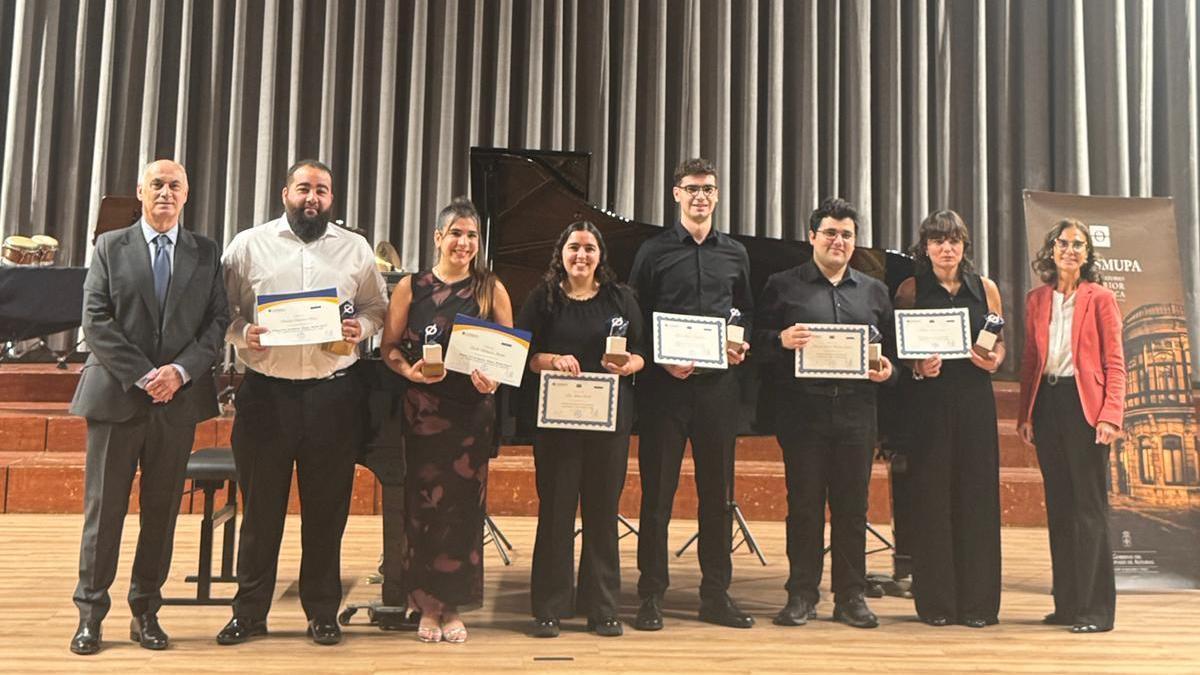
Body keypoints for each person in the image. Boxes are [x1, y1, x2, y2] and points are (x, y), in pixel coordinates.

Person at [217, 159, 388, 646]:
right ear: (285, 192)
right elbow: (221, 312)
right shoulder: (248, 245)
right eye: (304, 188)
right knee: (261, 512)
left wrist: (364, 329)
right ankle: (249, 612)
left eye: (322, 190)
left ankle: (322, 613)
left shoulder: (355, 249)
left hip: (333, 396)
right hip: (265, 396)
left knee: (327, 512)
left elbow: (376, 307)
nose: (312, 198)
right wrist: (242, 333)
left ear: (331, 199)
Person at [69, 160, 229, 655]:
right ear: (139, 191)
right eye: (156, 184)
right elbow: (95, 320)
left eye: (174, 185)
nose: (165, 192)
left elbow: (217, 322)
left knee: (160, 513)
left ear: (187, 194)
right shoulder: (110, 246)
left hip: (176, 404)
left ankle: (146, 612)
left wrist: (178, 374)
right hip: (117, 397)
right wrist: (145, 375)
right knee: (105, 511)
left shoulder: (205, 252)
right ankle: (91, 615)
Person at [753, 197, 895, 629]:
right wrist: (779, 339)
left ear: (855, 242)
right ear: (812, 237)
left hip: (857, 413)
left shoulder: (874, 291)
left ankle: (850, 596)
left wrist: (888, 369)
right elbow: (753, 342)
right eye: (830, 233)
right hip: (802, 412)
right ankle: (801, 594)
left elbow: (892, 353)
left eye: (847, 235)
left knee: (853, 508)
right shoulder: (782, 285)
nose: (839, 241)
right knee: (805, 507)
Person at [379, 196, 513, 644]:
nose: (464, 242)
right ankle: (425, 606)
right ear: (438, 237)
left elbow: (509, 354)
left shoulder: (490, 287)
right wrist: (407, 370)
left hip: (472, 415)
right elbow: (390, 348)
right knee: (421, 510)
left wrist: (493, 379)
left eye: (472, 235)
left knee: (462, 511)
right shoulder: (410, 287)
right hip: (423, 411)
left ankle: (452, 605)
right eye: (456, 232)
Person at [629, 158, 754, 631]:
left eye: (709, 189)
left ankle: (715, 594)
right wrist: (659, 358)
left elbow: (746, 312)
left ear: (717, 196)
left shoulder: (736, 254)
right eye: (692, 188)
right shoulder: (653, 252)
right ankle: (650, 595)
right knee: (657, 496)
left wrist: (740, 343)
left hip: (718, 391)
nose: (701, 196)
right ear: (676, 194)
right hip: (666, 390)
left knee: (716, 496)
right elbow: (636, 315)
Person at [516, 221, 646, 638]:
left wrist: (629, 365)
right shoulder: (544, 298)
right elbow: (525, 355)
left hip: (609, 421)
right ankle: (549, 608)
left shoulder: (621, 298)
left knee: (602, 513)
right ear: (562, 253)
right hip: (556, 423)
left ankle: (602, 607)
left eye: (590, 248)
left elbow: (642, 354)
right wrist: (552, 360)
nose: (581, 256)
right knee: (555, 512)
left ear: (600, 256)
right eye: (574, 247)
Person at [894, 210, 1004, 628]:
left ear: (964, 246)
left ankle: (979, 605)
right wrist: (918, 366)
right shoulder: (909, 288)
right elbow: (898, 349)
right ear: (925, 247)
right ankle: (936, 604)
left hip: (976, 400)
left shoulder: (987, 289)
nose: (946, 248)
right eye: (938, 241)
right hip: (929, 405)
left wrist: (994, 360)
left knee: (977, 498)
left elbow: (1000, 345)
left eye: (954, 240)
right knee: (931, 499)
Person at [1018, 218, 1124, 634]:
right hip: (1048, 405)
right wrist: (1025, 414)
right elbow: (1030, 361)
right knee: (1060, 509)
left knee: (1088, 510)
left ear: (1087, 254)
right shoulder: (1037, 299)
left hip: (1086, 410)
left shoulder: (1100, 298)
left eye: (1079, 244)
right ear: (1052, 250)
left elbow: (1115, 362)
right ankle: (1067, 605)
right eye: (1064, 243)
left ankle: (1095, 611)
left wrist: (1110, 415)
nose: (1071, 250)